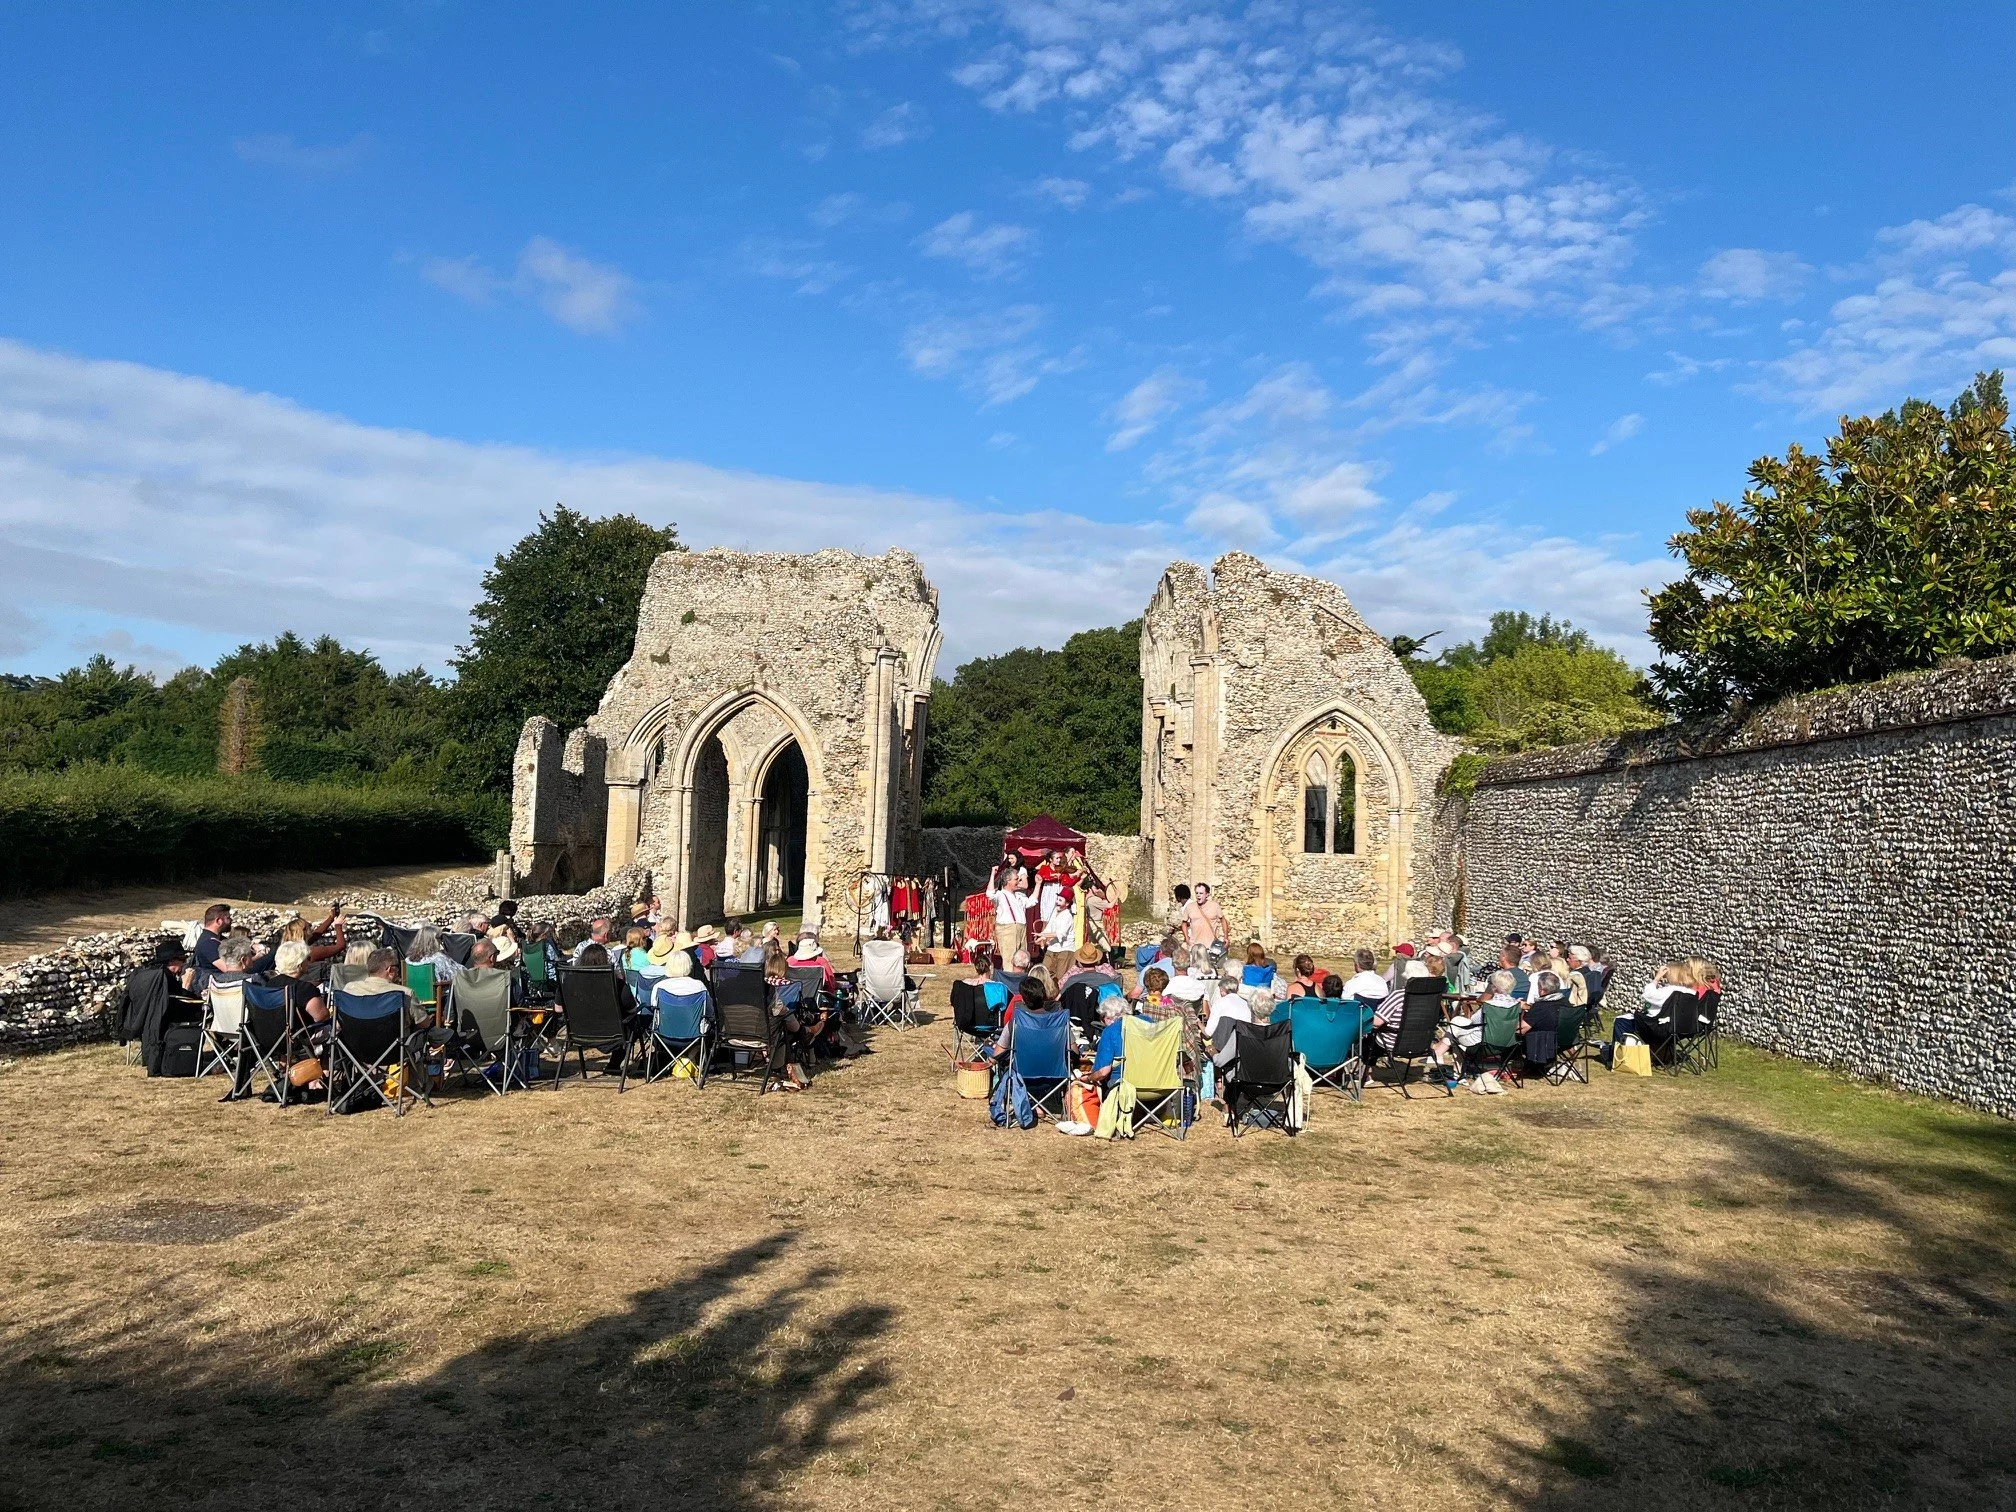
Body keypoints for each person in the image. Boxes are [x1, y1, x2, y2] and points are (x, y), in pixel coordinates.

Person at [116, 940, 195, 1076]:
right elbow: (182, 1000)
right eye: (182, 959)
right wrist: (186, 984)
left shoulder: (141, 973)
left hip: (135, 1020)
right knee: (203, 1012)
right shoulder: (164, 976)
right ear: (172, 961)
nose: (184, 963)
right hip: (160, 1022)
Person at [405, 926, 462, 996]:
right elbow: (456, 975)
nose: (442, 941)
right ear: (433, 940)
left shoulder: (409, 960)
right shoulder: (438, 958)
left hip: (414, 996)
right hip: (440, 997)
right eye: (441, 937)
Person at [1179, 882, 1225, 960]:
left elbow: (1223, 920)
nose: (1198, 895)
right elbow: (1184, 923)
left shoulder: (1215, 906)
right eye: (1197, 893)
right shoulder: (1190, 907)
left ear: (1207, 894)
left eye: (1201, 893)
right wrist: (1187, 938)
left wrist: (1225, 936)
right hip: (1194, 945)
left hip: (1210, 946)